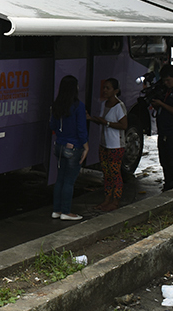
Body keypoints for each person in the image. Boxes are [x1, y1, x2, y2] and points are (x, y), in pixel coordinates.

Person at [49, 75, 88, 221]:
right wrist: (86, 146)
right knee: (69, 181)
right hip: (73, 146)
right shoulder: (78, 106)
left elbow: (52, 125)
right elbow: (81, 129)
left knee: (60, 179)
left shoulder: (57, 105)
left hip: (59, 145)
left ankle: (57, 210)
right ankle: (66, 211)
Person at [87, 78, 127, 212]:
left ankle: (115, 201)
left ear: (115, 91)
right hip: (104, 144)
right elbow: (102, 121)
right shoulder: (104, 104)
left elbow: (124, 125)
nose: (105, 90)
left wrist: (107, 123)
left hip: (115, 145)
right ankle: (107, 199)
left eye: (108, 88)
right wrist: (92, 119)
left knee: (115, 173)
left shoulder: (119, 106)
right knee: (106, 173)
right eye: (104, 87)